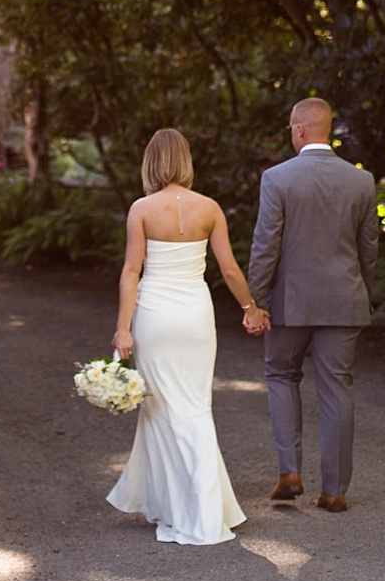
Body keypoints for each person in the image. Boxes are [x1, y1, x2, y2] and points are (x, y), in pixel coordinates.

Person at [107, 128, 268, 545]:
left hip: (156, 319)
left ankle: (186, 509)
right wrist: (249, 308)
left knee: (162, 410)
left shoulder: (141, 209)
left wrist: (123, 327)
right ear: (185, 161)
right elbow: (230, 269)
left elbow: (131, 272)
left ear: (150, 163)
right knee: (195, 407)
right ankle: (196, 505)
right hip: (196, 317)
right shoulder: (210, 208)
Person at [248, 96, 378, 513]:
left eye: (291, 129)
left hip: (290, 303)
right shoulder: (362, 181)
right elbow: (368, 249)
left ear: (300, 130)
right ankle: (335, 491)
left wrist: (256, 300)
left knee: (281, 375)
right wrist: (360, 291)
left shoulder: (278, 178)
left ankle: (290, 471)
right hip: (344, 299)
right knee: (337, 387)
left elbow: (265, 245)